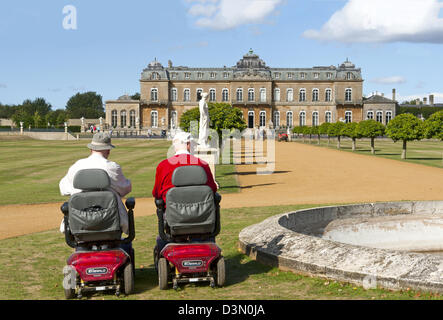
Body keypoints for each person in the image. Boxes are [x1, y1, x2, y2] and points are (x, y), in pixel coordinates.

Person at [59, 132, 133, 253]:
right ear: (108, 150)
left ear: (91, 149)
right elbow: (125, 189)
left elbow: (63, 188)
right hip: (110, 223)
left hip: (81, 223)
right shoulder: (112, 167)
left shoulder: (78, 165)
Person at [152, 131, 218, 251]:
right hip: (201, 216)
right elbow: (212, 190)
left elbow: (156, 193)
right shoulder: (202, 164)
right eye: (192, 144)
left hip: (174, 216)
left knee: (160, 206)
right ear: (188, 145)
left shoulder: (163, 166)